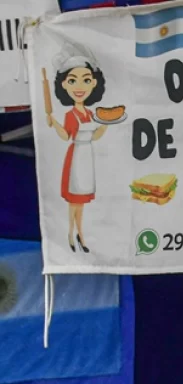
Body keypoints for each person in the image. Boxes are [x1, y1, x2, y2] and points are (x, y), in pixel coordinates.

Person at [47, 44, 109, 254]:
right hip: (75, 156)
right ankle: (72, 233)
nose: (79, 86)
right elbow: (66, 136)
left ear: (93, 83)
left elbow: (96, 135)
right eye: (73, 80)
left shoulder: (90, 113)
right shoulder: (70, 115)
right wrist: (53, 122)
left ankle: (79, 234)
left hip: (87, 157)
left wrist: (106, 124)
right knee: (74, 200)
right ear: (64, 84)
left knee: (81, 201)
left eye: (86, 80)